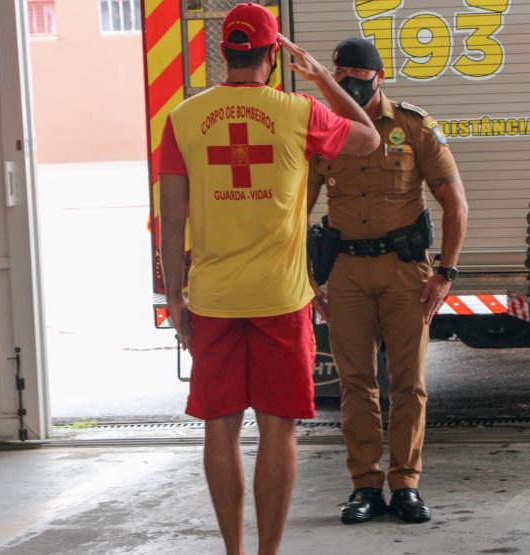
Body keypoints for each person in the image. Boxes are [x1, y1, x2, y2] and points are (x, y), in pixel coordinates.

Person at [158, 5, 379, 553]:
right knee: (278, 428)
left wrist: (174, 297)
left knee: (219, 425)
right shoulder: (299, 112)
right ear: (273, 54)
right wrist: (323, 78)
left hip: (213, 299)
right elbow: (369, 138)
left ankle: (233, 551)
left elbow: (172, 217)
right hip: (280, 299)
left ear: (223, 53)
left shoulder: (184, 118)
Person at [307, 37, 469, 524]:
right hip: (346, 273)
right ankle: (364, 486)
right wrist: (307, 279)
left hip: (405, 273)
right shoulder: (324, 129)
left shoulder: (412, 126)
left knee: (408, 384)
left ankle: (405, 486)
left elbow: (455, 201)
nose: (349, 83)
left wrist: (445, 273)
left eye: (359, 75)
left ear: (379, 77)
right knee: (355, 384)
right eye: (340, 75)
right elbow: (295, 209)